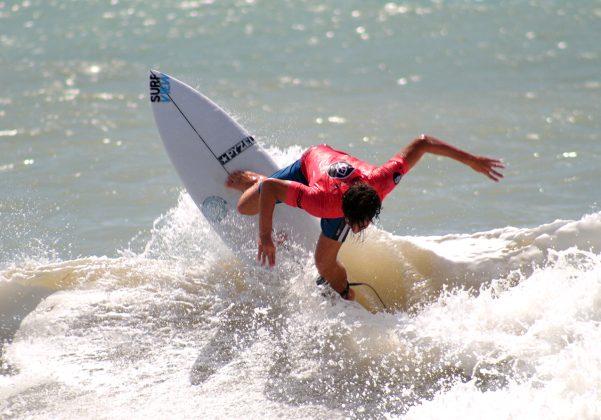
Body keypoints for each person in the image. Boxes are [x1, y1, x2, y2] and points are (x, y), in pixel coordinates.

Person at [225, 134, 504, 301]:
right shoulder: (322, 202)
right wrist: (266, 237)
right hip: (310, 165)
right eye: (357, 224)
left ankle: (343, 292)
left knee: (323, 263)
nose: (361, 229)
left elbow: (423, 143)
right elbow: (272, 190)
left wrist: (471, 160)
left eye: (365, 223)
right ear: (344, 214)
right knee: (245, 206)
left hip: (335, 176)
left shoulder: (381, 182)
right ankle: (254, 178)